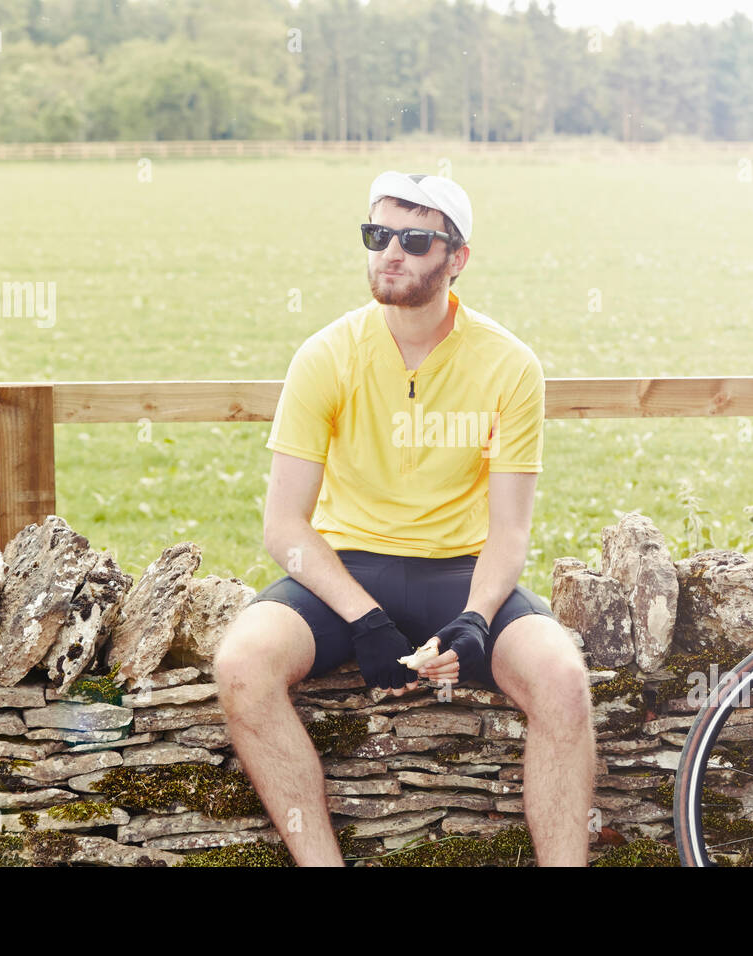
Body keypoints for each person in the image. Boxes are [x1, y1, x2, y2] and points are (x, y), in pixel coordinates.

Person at [213, 170, 594, 866]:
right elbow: (284, 528)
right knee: (242, 664)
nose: (391, 251)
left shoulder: (510, 364)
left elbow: (509, 532)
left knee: (563, 679)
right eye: (377, 234)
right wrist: (364, 620)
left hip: (461, 574)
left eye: (415, 239)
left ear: (457, 258)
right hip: (346, 571)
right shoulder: (325, 355)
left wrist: (478, 619)